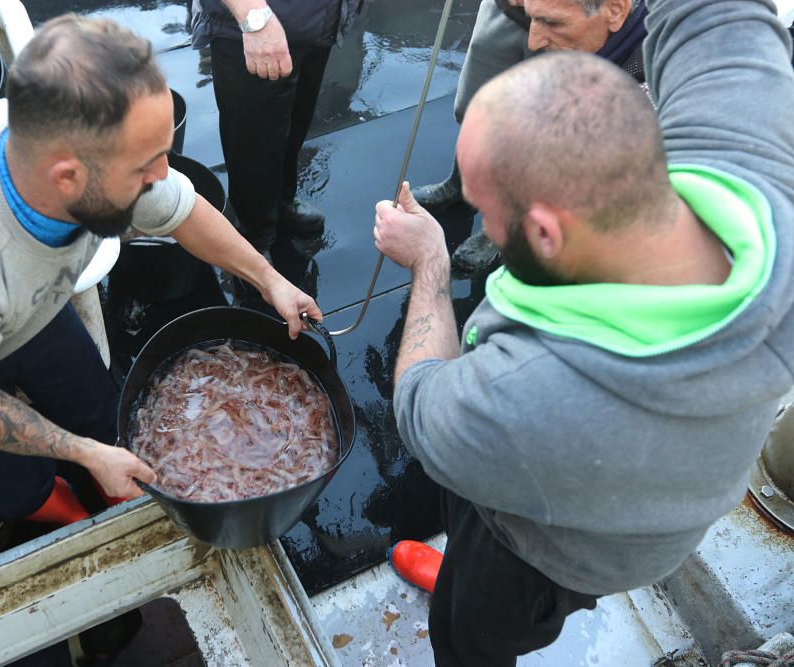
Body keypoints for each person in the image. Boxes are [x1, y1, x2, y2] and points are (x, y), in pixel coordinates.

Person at [374, 0, 794, 662]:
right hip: (659, 504)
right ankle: (454, 570)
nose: (477, 223)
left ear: (544, 230)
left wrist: (429, 261)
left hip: (542, 556)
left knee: (473, 629)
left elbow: (420, 403)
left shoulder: (521, 398)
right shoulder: (747, 147)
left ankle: (466, 597)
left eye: (484, 210)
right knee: (467, 544)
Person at [0, 14, 323, 528]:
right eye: (145, 166)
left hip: (27, 306)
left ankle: (115, 490)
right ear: (68, 178)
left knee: (103, 420)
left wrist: (271, 281)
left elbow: (182, 209)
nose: (162, 176)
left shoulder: (66, 151)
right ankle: (86, 524)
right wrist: (85, 456)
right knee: (23, 491)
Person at [412, 0, 647, 273]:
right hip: (506, 10)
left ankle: (506, 225)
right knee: (477, 108)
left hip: (577, 16)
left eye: (552, 24)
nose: (535, 41)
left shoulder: (643, 72)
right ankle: (460, 185)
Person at [190, 0, 364, 252]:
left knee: (294, 125)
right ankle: (252, 238)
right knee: (253, 142)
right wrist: (254, 19)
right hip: (256, 25)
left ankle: (280, 203)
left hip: (317, 24)